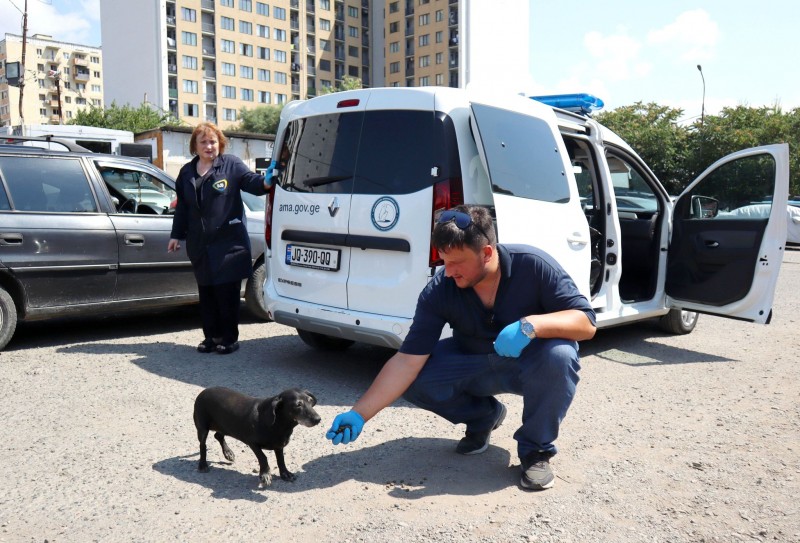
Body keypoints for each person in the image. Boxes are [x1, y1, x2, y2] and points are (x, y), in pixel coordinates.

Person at [326, 205, 596, 490]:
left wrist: (531, 325)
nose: (448, 271)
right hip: (473, 361)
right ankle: (483, 417)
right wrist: (360, 413)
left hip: (529, 364)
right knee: (417, 378)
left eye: (457, 262)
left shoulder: (533, 265)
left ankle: (535, 451)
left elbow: (586, 322)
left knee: (560, 355)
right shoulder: (441, 287)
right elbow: (406, 361)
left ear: (487, 253)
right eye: (444, 260)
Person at [168, 122, 271, 355]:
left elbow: (251, 182)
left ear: (220, 144)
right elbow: (183, 207)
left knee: (227, 294)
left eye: (213, 141)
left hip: (229, 244)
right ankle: (211, 337)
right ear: (195, 145)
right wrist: (176, 235)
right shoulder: (186, 172)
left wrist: (266, 182)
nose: (209, 146)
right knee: (207, 293)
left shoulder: (231, 165)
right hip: (200, 245)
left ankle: (229, 338)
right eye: (203, 141)